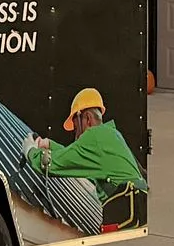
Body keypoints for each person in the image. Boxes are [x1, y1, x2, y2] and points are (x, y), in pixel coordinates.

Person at [26, 86, 148, 232]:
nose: (75, 133)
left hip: (124, 215)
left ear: (87, 119)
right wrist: (50, 145)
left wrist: (30, 151)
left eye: (76, 126)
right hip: (136, 212)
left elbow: (51, 164)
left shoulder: (93, 137)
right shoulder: (110, 135)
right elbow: (75, 157)